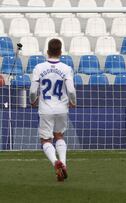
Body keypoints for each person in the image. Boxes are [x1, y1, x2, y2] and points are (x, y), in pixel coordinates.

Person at [30, 39, 76, 181]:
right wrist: (73, 102)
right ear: (61, 52)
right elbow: (71, 90)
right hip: (62, 108)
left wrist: (33, 100)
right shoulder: (66, 68)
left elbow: (32, 90)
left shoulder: (39, 67)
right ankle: (64, 164)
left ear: (48, 51)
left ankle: (55, 163)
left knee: (46, 140)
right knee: (59, 136)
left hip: (45, 109)